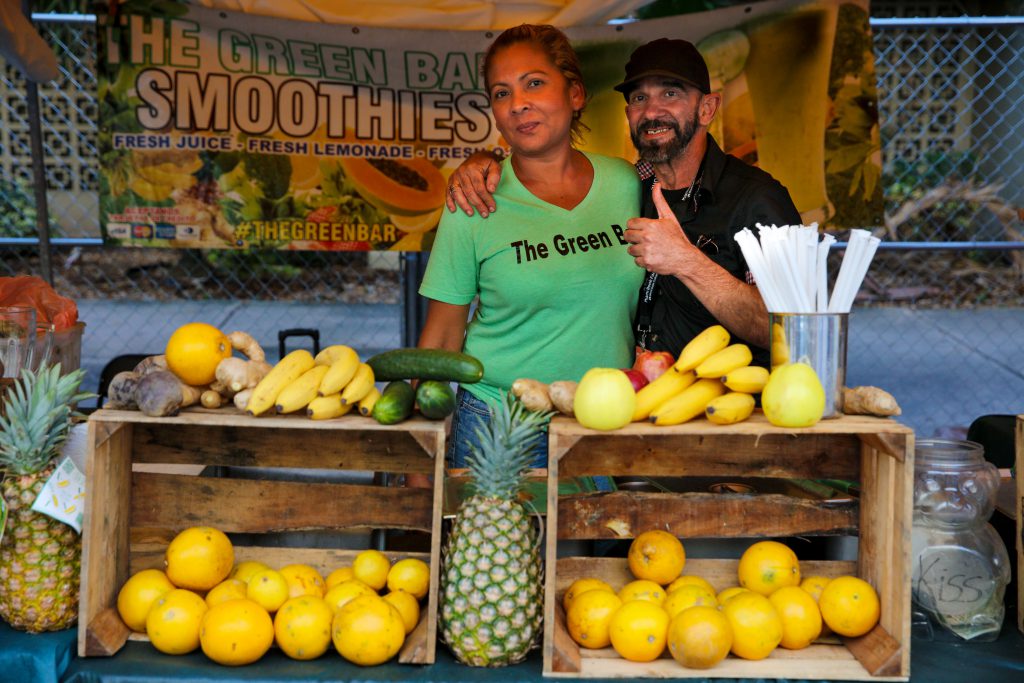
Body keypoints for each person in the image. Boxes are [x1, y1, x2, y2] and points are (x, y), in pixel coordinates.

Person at [446, 38, 801, 369]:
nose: (651, 112)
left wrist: (686, 261)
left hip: (733, 417)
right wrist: (478, 162)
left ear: (707, 108)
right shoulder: (630, 186)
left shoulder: (756, 200)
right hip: (637, 409)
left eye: (671, 93)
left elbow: (792, 330)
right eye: (639, 98)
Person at [418, 24, 644, 468]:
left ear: (575, 94)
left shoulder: (626, 183)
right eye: (501, 94)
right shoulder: (473, 201)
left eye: (534, 83)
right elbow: (442, 338)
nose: (518, 104)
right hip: (499, 424)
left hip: (611, 420)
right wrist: (419, 461)